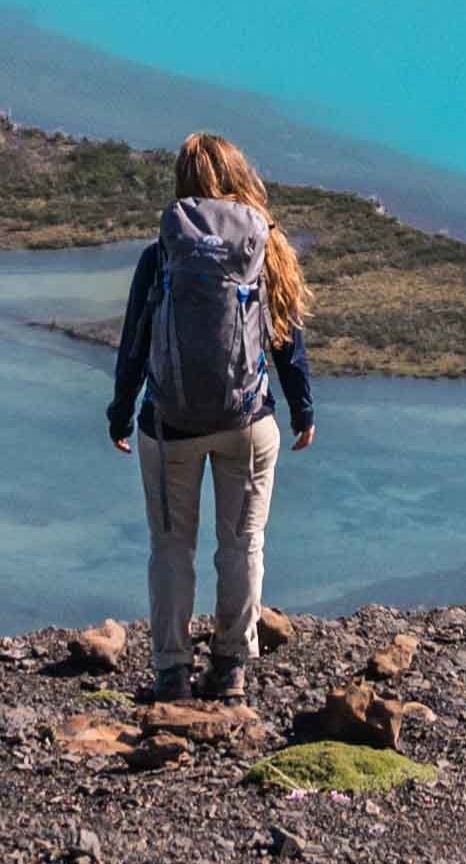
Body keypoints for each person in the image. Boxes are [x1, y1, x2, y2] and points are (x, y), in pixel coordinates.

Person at [107, 130, 315, 699]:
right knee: (243, 544)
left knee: (172, 548)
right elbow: (286, 341)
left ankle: (172, 673)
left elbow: (134, 343)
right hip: (247, 423)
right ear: (239, 179)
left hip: (168, 426)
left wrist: (120, 414)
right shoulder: (263, 247)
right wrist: (303, 408)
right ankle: (231, 671)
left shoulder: (161, 255)